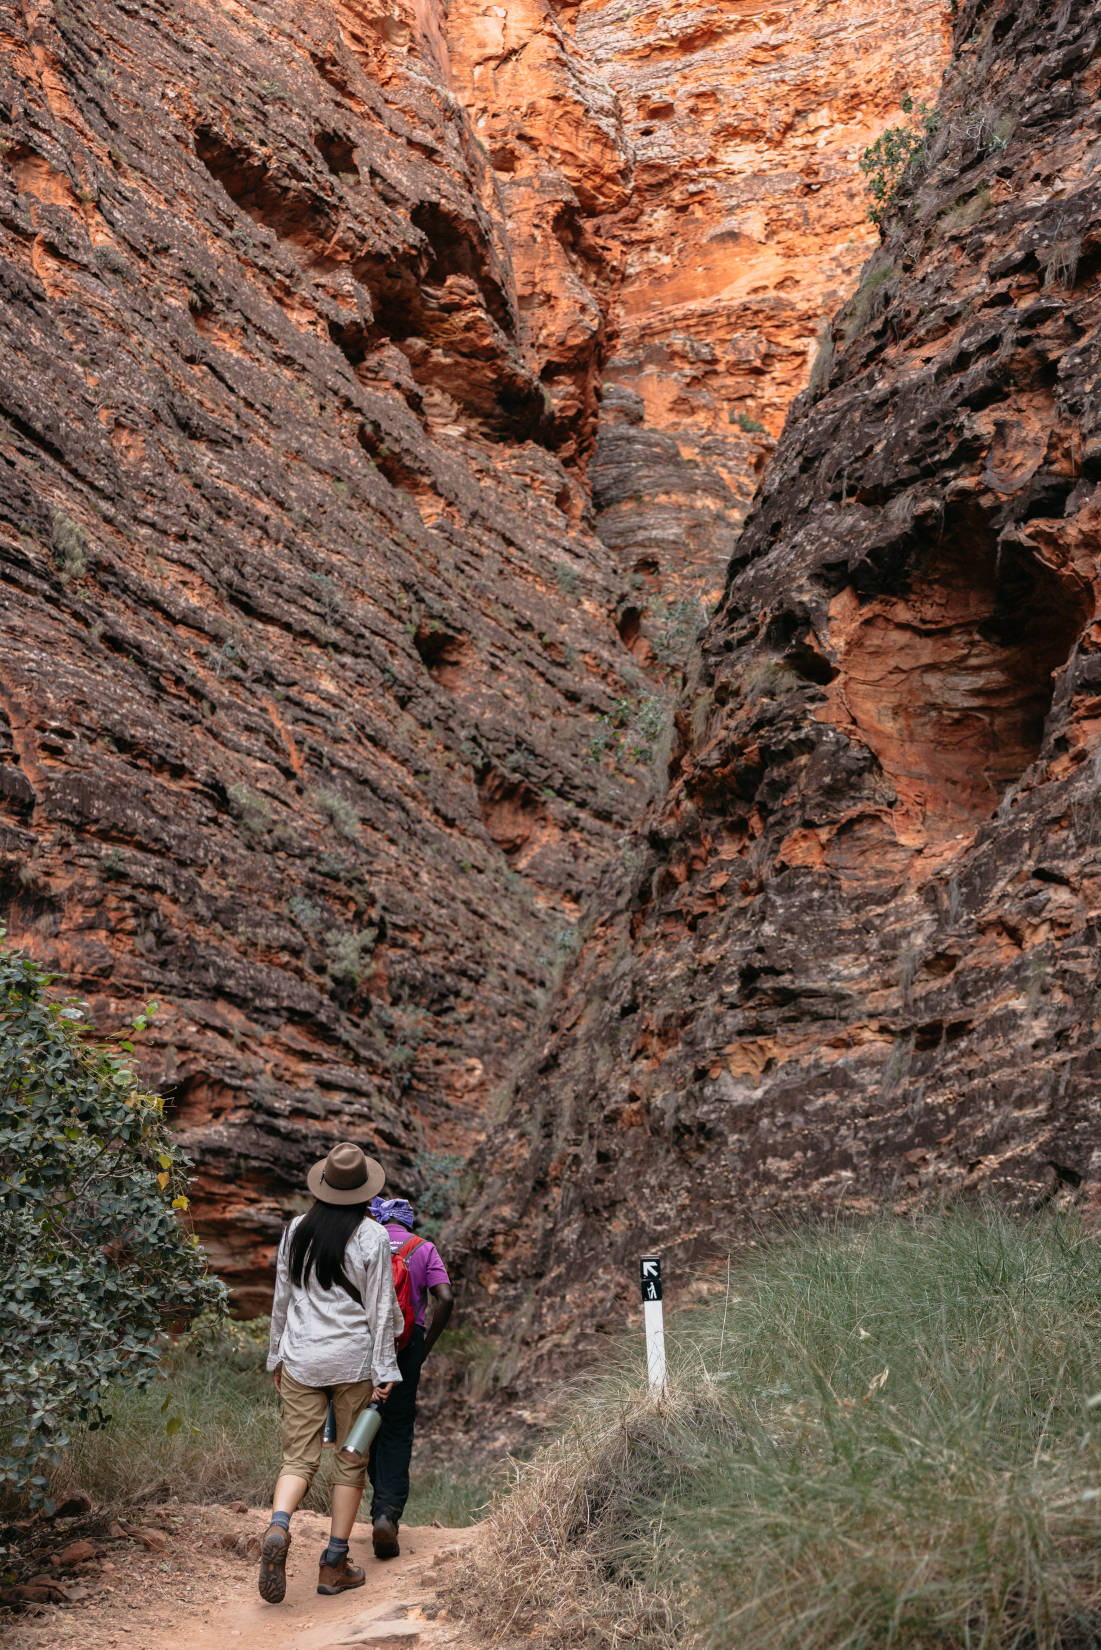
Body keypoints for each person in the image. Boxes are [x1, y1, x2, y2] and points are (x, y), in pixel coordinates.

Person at [259, 1142, 404, 1604]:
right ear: (363, 1192)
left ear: (322, 1188)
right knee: (350, 1458)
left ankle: (279, 1525)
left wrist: (275, 1357)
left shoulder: (295, 1230)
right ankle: (334, 1563)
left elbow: (281, 1299)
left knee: (297, 1460)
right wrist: (387, 1369)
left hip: (301, 1358)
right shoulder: (372, 1236)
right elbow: (381, 1310)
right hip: (353, 1362)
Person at [367, 1195, 453, 1559]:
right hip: (407, 1343)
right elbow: (445, 1298)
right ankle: (387, 1513)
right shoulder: (424, 1248)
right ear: (407, 1222)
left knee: (367, 1419)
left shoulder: (365, 1241)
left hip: (365, 1342)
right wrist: (424, 1347)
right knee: (398, 1428)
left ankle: (372, 1507)